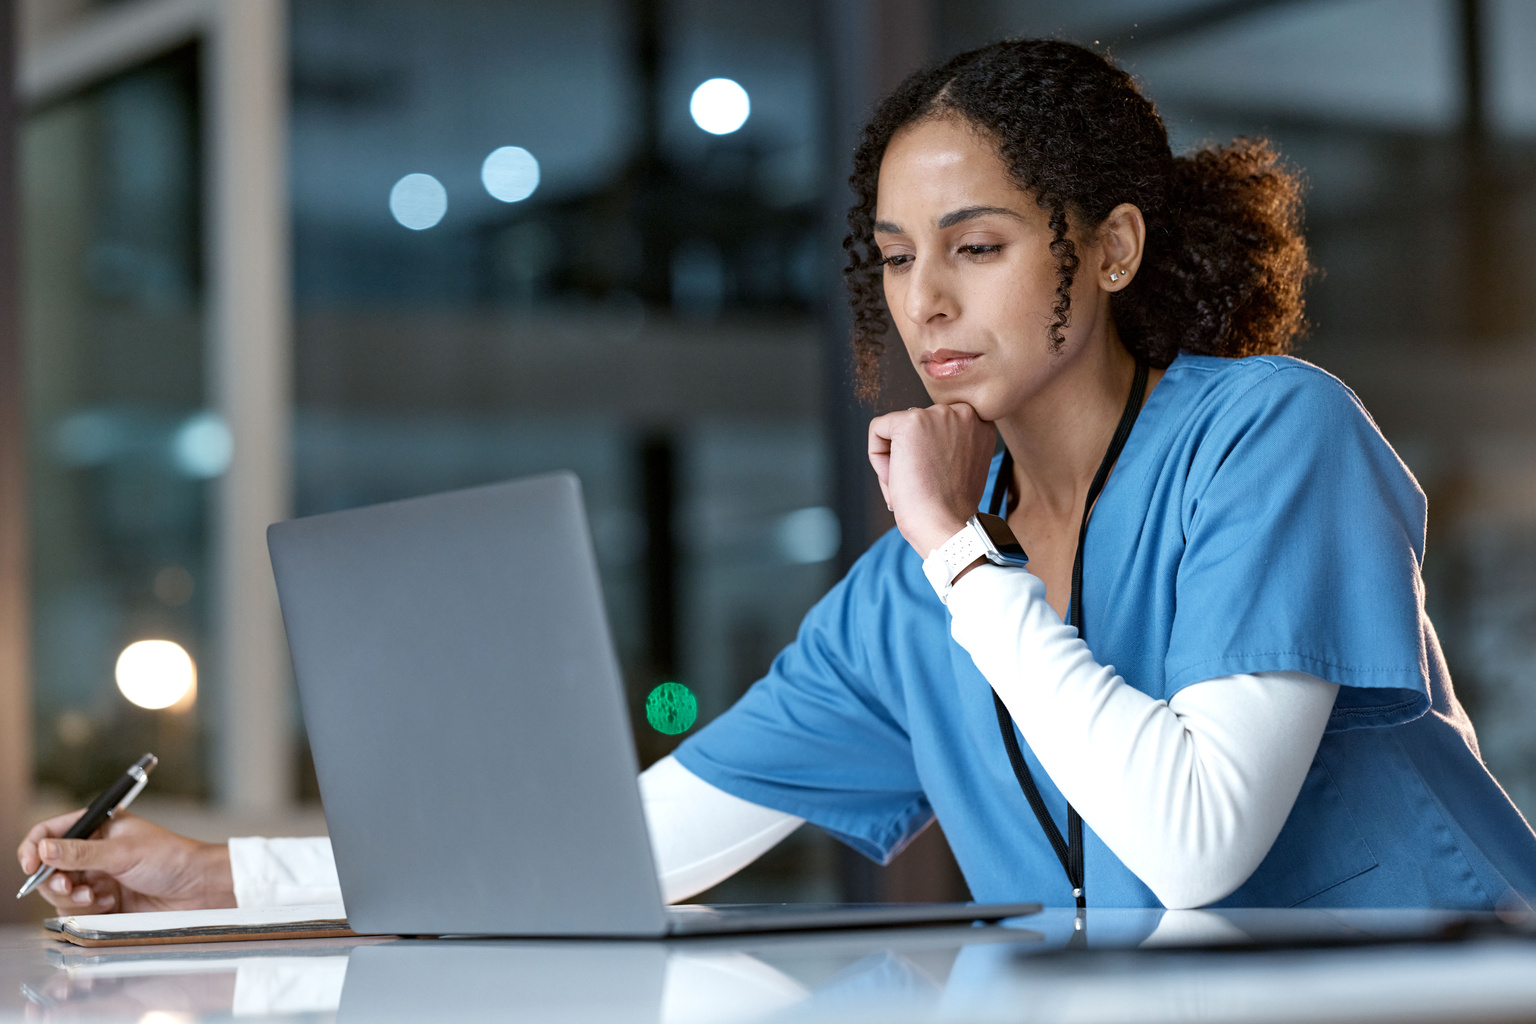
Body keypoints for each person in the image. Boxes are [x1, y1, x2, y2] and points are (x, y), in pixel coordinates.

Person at [19, 39, 1536, 914]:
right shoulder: (905, 607)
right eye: (892, 262)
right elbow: (622, 852)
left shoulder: (1270, 435)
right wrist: (211, 878)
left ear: (1114, 247)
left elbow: (1198, 846)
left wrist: (956, 553)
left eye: (979, 247)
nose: (923, 303)